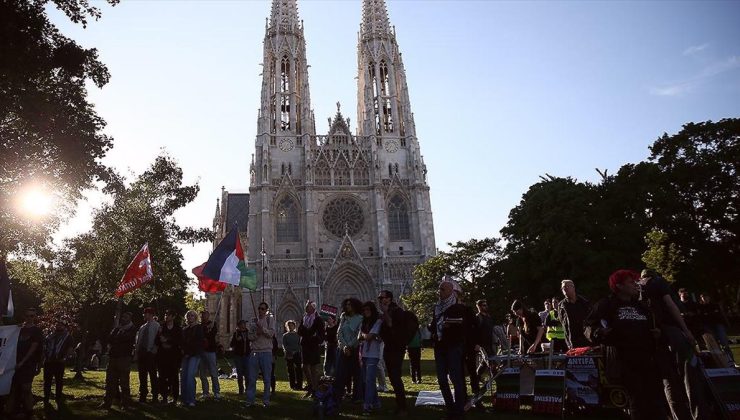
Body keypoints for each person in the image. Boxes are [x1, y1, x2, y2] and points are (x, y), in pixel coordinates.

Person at [584, 270, 667, 420]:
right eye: (631, 282)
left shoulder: (641, 306)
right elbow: (588, 326)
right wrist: (599, 333)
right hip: (624, 360)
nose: (635, 285)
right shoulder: (606, 304)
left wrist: (658, 333)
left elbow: (656, 325)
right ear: (619, 286)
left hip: (648, 359)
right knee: (638, 402)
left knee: (656, 401)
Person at [640, 268, 706, 420]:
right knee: (689, 374)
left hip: (654, 336)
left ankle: (678, 416)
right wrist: (686, 330)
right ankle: (699, 415)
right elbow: (670, 305)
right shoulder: (658, 282)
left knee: (668, 379)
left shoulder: (637, 287)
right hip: (672, 332)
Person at [430, 277, 477, 420]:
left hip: (454, 346)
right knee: (442, 379)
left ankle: (459, 410)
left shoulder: (461, 308)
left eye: (443, 289)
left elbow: (469, 327)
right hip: (440, 346)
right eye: (439, 289)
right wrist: (437, 327)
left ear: (451, 292)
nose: (440, 292)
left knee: (456, 378)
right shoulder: (437, 308)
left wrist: (453, 327)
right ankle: (450, 408)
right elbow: (432, 326)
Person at [8, 308, 44, 418]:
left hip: (29, 364)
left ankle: (29, 411)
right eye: (28, 316)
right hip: (14, 363)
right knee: (14, 388)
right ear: (25, 316)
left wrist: (23, 362)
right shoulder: (19, 329)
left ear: (35, 317)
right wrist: (15, 328)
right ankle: (13, 411)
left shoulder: (37, 331)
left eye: (32, 316)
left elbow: (33, 348)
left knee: (26, 388)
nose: (29, 318)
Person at [377, 289, 408, 415]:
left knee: (395, 377)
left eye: (382, 297)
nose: (380, 300)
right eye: (379, 298)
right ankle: (399, 405)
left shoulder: (397, 311)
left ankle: (403, 407)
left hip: (396, 348)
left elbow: (391, 325)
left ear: (389, 299)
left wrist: (384, 312)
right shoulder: (388, 311)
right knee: (393, 377)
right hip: (389, 347)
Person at [100, 311, 136, 410]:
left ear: (130, 318)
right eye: (123, 316)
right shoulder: (117, 328)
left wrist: (117, 336)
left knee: (124, 382)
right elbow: (109, 338)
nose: (124, 318)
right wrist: (117, 334)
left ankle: (125, 404)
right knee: (110, 381)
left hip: (124, 358)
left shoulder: (132, 329)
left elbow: (126, 338)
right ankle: (107, 402)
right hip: (113, 357)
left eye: (126, 317)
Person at [333, 297, 363, 402]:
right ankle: (338, 395)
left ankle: (357, 396)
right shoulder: (343, 316)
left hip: (354, 349)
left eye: (349, 304)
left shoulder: (360, 318)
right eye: (346, 304)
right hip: (343, 349)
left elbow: (358, 334)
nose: (347, 306)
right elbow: (339, 332)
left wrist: (350, 346)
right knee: (340, 374)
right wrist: (344, 346)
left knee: (357, 374)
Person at [246, 302, 275, 408]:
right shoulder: (253, 321)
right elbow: (249, 336)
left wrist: (262, 329)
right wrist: (256, 334)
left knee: (267, 379)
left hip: (266, 352)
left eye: (262, 309)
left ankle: (266, 401)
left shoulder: (269, 319)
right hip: (254, 352)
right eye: (259, 308)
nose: (260, 310)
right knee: (252, 378)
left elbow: (271, 334)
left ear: (266, 310)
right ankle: (250, 401)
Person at [359, 301, 383, 415]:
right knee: (367, 381)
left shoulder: (378, 322)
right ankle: (377, 402)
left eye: (368, 310)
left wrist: (363, 335)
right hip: (364, 354)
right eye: (364, 310)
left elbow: (368, 336)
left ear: (372, 310)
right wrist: (363, 336)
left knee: (369, 380)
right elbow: (361, 336)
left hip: (373, 355)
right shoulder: (364, 323)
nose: (365, 312)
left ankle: (367, 405)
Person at [297, 300, 325, 398]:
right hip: (305, 345)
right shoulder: (304, 318)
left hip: (313, 346)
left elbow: (320, 334)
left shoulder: (318, 319)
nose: (306, 308)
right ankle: (311, 386)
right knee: (304, 367)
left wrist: (312, 336)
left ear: (313, 308)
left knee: (313, 368)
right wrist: (309, 333)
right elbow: (299, 331)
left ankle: (314, 389)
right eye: (306, 306)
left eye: (308, 307)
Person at [43, 319, 74, 405]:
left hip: (59, 362)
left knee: (59, 381)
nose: (58, 326)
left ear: (64, 326)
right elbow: (45, 345)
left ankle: (58, 398)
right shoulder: (50, 335)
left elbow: (70, 348)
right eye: (57, 324)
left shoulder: (68, 336)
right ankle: (46, 398)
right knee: (47, 381)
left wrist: (64, 358)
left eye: (61, 325)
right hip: (48, 361)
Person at [136, 307, 160, 403]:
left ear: (151, 314)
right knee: (142, 375)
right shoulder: (142, 327)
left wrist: (153, 350)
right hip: (142, 353)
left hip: (150, 353)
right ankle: (143, 394)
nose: (144, 315)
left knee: (153, 375)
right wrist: (137, 352)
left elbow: (157, 339)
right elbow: (138, 341)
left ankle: (155, 395)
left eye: (146, 313)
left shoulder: (156, 326)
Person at [157, 309, 182, 405]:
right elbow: (157, 341)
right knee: (162, 377)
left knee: (174, 378)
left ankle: (175, 398)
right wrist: (160, 340)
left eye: (168, 315)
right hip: (162, 357)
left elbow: (178, 341)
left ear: (173, 317)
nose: (166, 316)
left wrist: (167, 340)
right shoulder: (161, 328)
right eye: (165, 315)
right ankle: (164, 397)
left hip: (174, 357)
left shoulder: (177, 328)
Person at [699, 293, 733, 362]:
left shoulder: (715, 305)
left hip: (718, 325)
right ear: (701, 298)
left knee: (724, 343)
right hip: (709, 327)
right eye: (703, 297)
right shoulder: (701, 308)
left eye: (706, 297)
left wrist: (726, 323)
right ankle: (722, 362)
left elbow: (722, 314)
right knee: (715, 346)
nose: (705, 298)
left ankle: (731, 361)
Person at [180, 310, 204, 407]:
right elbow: (183, 342)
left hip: (195, 355)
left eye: (192, 316)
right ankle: (184, 399)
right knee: (183, 376)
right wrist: (184, 352)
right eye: (189, 316)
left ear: (195, 317)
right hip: (185, 355)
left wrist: (190, 353)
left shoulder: (199, 328)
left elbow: (198, 342)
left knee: (190, 376)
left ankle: (191, 399)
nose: (190, 317)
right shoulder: (185, 329)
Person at [558, 279, 591, 349]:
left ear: (573, 287)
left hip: (586, 339)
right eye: (563, 288)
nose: (565, 290)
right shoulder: (561, 305)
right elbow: (563, 323)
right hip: (572, 341)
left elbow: (591, 319)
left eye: (567, 287)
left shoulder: (584, 302)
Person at [198, 310, 220, 399]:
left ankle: (216, 392)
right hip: (201, 351)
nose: (203, 317)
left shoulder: (213, 324)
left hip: (210, 351)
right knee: (202, 373)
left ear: (208, 316)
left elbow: (213, 334)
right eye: (202, 315)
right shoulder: (199, 326)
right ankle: (205, 392)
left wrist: (209, 329)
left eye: (205, 315)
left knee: (213, 372)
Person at [231, 320, 251, 395]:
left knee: (247, 373)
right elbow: (231, 344)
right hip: (238, 356)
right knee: (239, 374)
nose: (244, 325)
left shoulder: (248, 333)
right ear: (239, 325)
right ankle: (240, 390)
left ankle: (248, 389)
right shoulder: (236, 334)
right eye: (243, 324)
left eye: (245, 324)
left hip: (247, 355)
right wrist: (236, 340)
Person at [282, 320, 303, 390]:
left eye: (292, 325)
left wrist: (296, 351)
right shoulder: (285, 336)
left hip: (297, 354)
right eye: (289, 325)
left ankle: (299, 385)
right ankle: (292, 385)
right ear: (287, 327)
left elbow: (299, 345)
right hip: (289, 354)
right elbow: (285, 345)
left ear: (294, 326)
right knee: (290, 370)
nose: (290, 327)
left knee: (298, 370)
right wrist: (290, 351)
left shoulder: (298, 335)